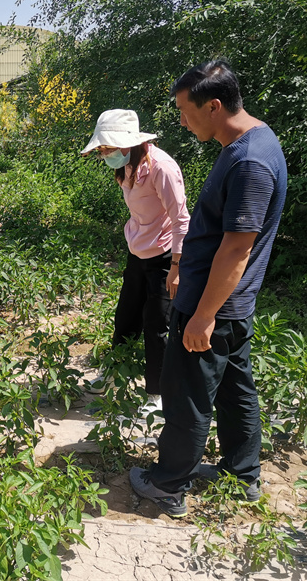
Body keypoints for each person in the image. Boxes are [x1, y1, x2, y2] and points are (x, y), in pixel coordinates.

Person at [129, 61, 287, 518]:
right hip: (230, 306)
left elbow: (237, 249)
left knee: (187, 394)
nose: (180, 119)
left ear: (213, 106)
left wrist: (202, 316)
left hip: (212, 307)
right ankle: (243, 473)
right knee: (237, 387)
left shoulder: (251, 161)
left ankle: (167, 484)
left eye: (184, 109)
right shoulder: (251, 141)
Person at [81, 110, 190, 403]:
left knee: (157, 326)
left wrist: (176, 267)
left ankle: (157, 395)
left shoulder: (162, 168)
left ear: (126, 142)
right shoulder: (126, 165)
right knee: (126, 317)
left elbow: (181, 220)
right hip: (137, 252)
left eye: (106, 147)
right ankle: (114, 372)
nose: (103, 153)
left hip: (164, 257)